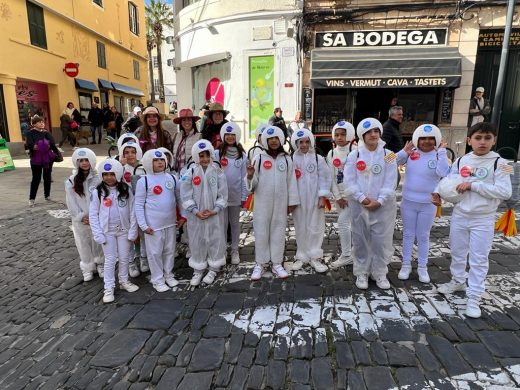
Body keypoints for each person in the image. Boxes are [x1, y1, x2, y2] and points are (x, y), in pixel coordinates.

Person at [437, 122, 512, 318]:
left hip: (483, 218)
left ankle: (474, 296)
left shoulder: (501, 163)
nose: (482, 142)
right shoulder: (461, 160)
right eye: (478, 138)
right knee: (457, 251)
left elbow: (505, 191)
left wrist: (473, 185)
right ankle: (458, 280)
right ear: (470, 140)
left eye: (487, 138)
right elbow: (450, 180)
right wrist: (438, 192)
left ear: (494, 140)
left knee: (479, 258)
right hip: (460, 214)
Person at [343, 118, 398, 290]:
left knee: (381, 241)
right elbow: (349, 181)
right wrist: (362, 198)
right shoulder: (354, 155)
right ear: (362, 135)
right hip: (359, 206)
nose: (373, 135)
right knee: (360, 239)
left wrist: (380, 200)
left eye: (376, 131)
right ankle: (362, 272)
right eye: (369, 132)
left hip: (383, 208)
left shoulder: (389, 155)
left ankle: (380, 272)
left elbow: (391, 181)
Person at [396, 124, 450, 283]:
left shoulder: (439, 154)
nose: (426, 142)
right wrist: (402, 152)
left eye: (431, 139)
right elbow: (388, 161)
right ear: (416, 140)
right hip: (408, 202)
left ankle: (422, 267)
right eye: (423, 139)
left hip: (428, 204)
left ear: (437, 140)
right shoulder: (410, 153)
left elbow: (444, 173)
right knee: (407, 234)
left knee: (423, 236)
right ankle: (405, 265)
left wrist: (441, 152)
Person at [246, 126, 300, 280]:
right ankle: (260, 263)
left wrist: (292, 201)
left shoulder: (287, 159)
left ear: (281, 139)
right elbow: (252, 185)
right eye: (270, 139)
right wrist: (250, 176)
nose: (274, 141)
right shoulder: (259, 158)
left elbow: (291, 181)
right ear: (265, 141)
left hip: (280, 203)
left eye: (276, 138)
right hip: (262, 203)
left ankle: (277, 263)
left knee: (278, 232)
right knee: (261, 231)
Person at [89, 158, 139, 303]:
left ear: (117, 174)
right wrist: (98, 233)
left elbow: (132, 211)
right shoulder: (97, 192)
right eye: (105, 174)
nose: (109, 177)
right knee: (110, 260)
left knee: (124, 257)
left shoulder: (126, 189)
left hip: (123, 230)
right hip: (107, 232)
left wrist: (132, 230)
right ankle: (109, 287)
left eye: (112, 174)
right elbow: (93, 214)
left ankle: (124, 281)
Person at [134, 149, 184, 292]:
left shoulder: (172, 178)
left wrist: (182, 216)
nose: (160, 162)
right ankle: (157, 279)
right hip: (153, 226)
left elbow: (178, 199)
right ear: (149, 163)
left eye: (162, 159)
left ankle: (168, 274)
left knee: (169, 250)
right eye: (156, 160)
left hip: (170, 223)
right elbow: (138, 205)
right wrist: (143, 225)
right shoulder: (144, 181)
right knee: (155, 253)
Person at [180, 140, 228, 286]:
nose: (205, 159)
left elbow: (223, 193)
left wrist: (215, 210)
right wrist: (195, 211)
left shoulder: (217, 171)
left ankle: (214, 267)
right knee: (197, 240)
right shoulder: (190, 173)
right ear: (196, 156)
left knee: (215, 238)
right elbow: (185, 195)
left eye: (207, 155)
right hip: (197, 216)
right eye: (201, 156)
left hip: (214, 215)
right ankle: (198, 269)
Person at [287, 128, 331, 273]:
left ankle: (315, 256)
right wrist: (291, 200)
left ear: (311, 142)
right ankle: (301, 255)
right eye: (301, 142)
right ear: (296, 143)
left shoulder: (318, 158)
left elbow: (325, 178)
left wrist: (322, 196)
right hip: (298, 199)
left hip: (314, 198)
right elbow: (288, 181)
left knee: (316, 226)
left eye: (307, 142)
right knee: (300, 226)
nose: (304, 145)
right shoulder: (292, 159)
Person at [65, 148, 104, 281]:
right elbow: (71, 202)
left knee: (97, 241)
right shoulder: (71, 181)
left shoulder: (98, 179)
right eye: (80, 160)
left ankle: (100, 263)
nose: (84, 163)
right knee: (83, 243)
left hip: (96, 217)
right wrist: (80, 217)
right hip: (81, 220)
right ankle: (87, 267)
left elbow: (103, 198)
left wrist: (97, 215)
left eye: (86, 160)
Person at [214, 122, 248, 265]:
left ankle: (234, 249)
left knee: (234, 224)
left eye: (232, 135)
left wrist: (243, 196)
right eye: (227, 135)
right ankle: (221, 250)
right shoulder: (217, 154)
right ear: (223, 136)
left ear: (237, 136)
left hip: (235, 195)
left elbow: (244, 176)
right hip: (220, 197)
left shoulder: (242, 156)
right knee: (221, 225)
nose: (229, 137)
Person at [326, 121, 356, 269]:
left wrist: (350, 195)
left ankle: (347, 255)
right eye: (337, 135)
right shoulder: (331, 153)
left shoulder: (356, 151)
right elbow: (330, 177)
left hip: (354, 197)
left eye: (343, 134)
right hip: (340, 198)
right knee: (348, 224)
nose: (340, 137)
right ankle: (352, 252)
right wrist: (338, 197)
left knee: (344, 223)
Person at [119, 140, 146, 278]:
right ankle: (130, 262)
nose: (130, 155)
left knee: (143, 233)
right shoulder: (120, 168)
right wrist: (119, 166)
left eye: (133, 152)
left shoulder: (143, 167)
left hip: (141, 206)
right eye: (126, 152)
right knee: (128, 234)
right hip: (126, 206)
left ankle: (143, 257)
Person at [26, 115, 60, 207]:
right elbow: (30, 144)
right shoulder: (30, 133)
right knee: (36, 178)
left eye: (43, 122)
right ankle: (32, 199)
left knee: (47, 177)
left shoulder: (46, 133)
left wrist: (56, 152)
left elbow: (52, 143)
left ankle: (47, 196)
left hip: (47, 158)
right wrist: (36, 146)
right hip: (36, 159)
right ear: (34, 124)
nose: (42, 123)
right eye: (39, 122)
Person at [172, 108, 202, 172]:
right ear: (181, 123)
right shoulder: (176, 136)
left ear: (192, 122)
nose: (186, 122)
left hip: (192, 172)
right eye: (184, 120)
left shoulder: (199, 136)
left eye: (189, 120)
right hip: (177, 172)